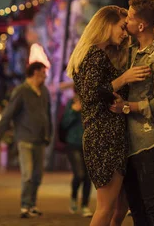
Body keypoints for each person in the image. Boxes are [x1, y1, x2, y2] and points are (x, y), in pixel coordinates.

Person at [67, 5, 150, 226]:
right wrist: (125, 78)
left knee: (120, 205)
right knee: (105, 208)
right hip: (104, 136)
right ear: (106, 23)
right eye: (122, 27)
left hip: (108, 135)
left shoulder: (96, 53)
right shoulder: (94, 54)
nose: (125, 33)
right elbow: (91, 94)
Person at [109, 0, 154, 226]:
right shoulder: (127, 51)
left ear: (141, 25)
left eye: (129, 17)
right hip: (126, 142)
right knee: (136, 207)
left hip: (149, 143)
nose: (125, 21)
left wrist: (127, 107)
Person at [0, 61, 52, 219]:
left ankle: (32, 204)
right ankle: (25, 206)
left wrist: (49, 134)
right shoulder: (21, 91)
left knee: (38, 175)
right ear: (34, 73)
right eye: (42, 73)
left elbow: (48, 115)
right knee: (28, 174)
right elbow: (8, 114)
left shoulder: (44, 91)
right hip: (25, 139)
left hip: (40, 140)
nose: (45, 76)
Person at [60, 90, 93, 218]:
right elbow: (64, 123)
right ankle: (74, 197)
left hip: (89, 144)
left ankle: (85, 205)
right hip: (73, 143)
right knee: (79, 174)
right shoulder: (71, 103)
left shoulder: (92, 102)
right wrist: (74, 110)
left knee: (88, 176)